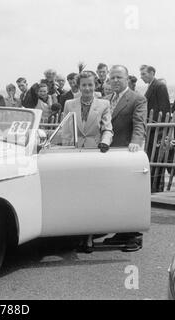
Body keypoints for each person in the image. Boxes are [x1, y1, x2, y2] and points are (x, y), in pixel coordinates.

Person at [101, 65, 148, 251]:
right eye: (112, 77)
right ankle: (120, 232)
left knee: (129, 194)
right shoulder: (107, 99)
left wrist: (136, 142)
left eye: (119, 77)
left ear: (127, 78)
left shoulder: (138, 98)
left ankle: (134, 237)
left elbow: (139, 123)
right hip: (109, 153)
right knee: (115, 194)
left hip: (126, 152)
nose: (115, 80)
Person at [62, 71, 113, 150]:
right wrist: (66, 147)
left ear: (95, 86)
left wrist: (105, 142)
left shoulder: (104, 104)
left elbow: (107, 129)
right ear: (79, 86)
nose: (87, 88)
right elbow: (66, 131)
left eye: (90, 85)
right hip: (73, 149)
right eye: (84, 85)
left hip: (96, 150)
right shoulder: (69, 104)